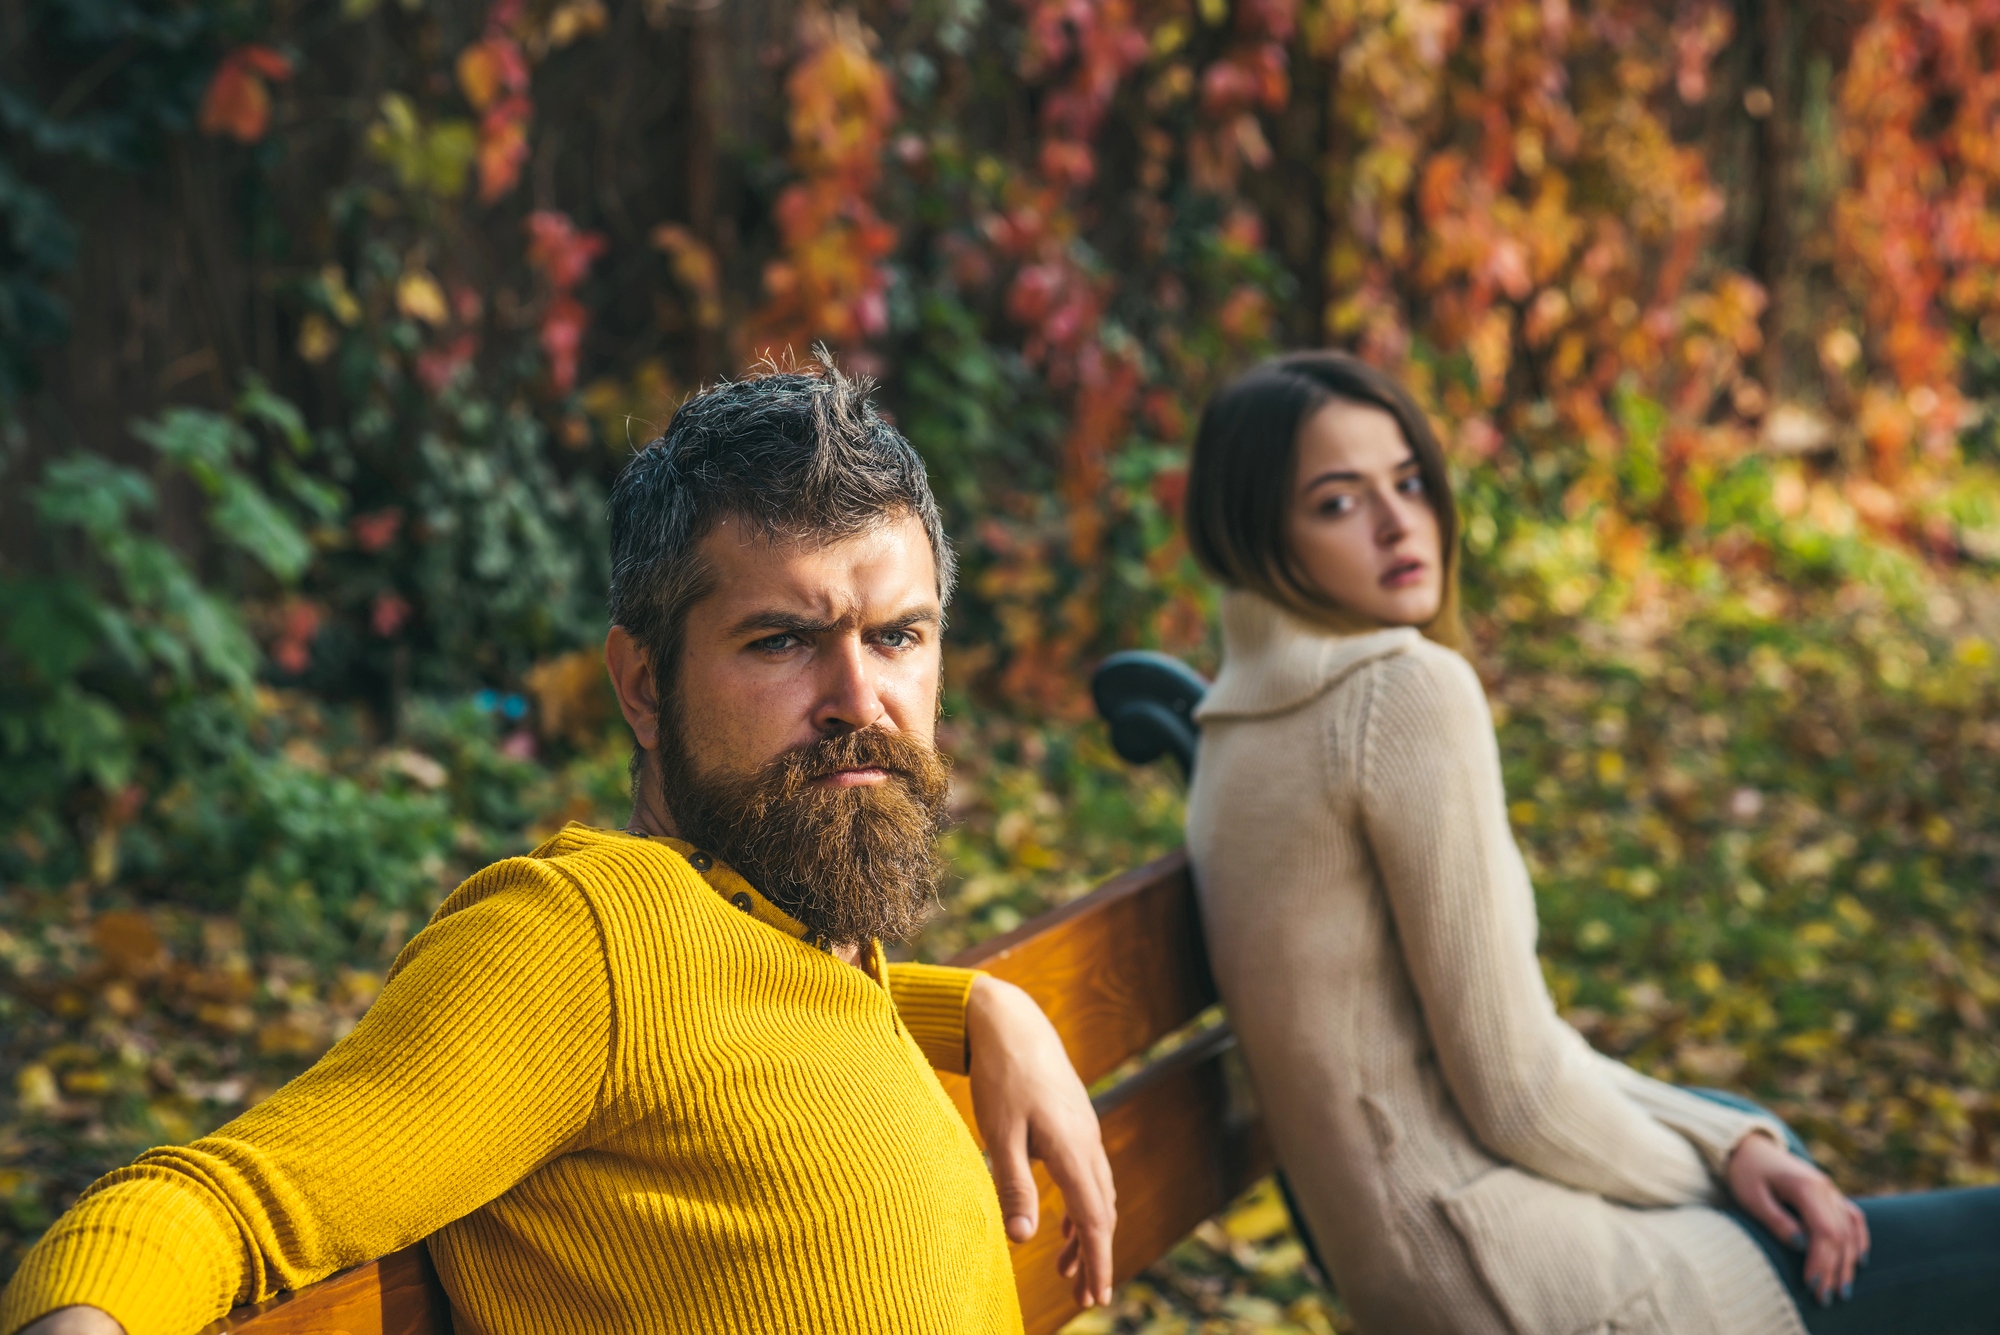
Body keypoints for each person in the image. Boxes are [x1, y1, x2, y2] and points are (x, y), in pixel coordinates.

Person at [1, 363, 1116, 1335]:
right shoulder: (577, 939)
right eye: (781, 641)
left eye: (897, 637)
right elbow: (225, 1200)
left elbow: (735, 1031)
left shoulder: (791, 934)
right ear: (642, 685)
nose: (856, 701)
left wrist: (968, 1007)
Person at [1178, 350, 2000, 1335]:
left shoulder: (1237, 724)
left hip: (1415, 1264)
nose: (1401, 524)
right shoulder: (1398, 694)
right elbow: (1514, 1090)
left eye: (1406, 483)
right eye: (1336, 503)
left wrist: (1724, 1143)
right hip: (1519, 1281)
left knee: (1756, 1134)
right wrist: (1715, 1188)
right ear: (1257, 534)